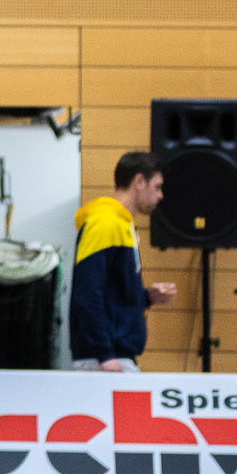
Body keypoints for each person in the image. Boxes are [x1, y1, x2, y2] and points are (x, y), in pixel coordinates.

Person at [70, 151, 176, 372]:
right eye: (157, 187)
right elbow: (88, 293)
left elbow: (112, 292)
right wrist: (104, 355)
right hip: (105, 359)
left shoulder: (122, 225)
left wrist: (146, 297)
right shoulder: (106, 223)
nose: (161, 195)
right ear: (139, 181)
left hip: (115, 355)